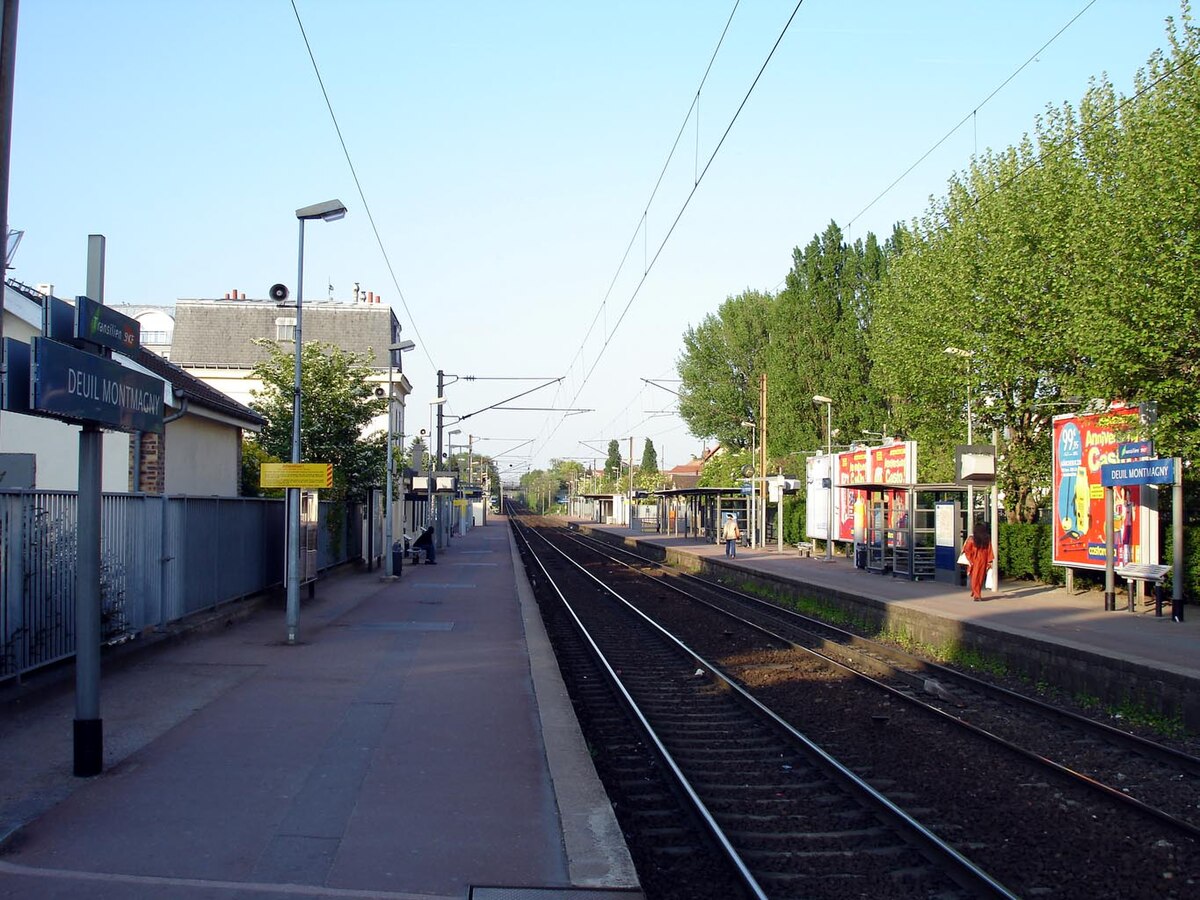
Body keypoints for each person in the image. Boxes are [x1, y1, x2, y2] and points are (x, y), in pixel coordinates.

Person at [962, 522, 994, 601]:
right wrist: (989, 561)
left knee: (974, 577)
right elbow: (989, 550)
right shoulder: (986, 539)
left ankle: (976, 594)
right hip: (983, 559)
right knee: (980, 578)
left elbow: (967, 550)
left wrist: (969, 559)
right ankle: (976, 592)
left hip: (974, 559)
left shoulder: (972, 539)